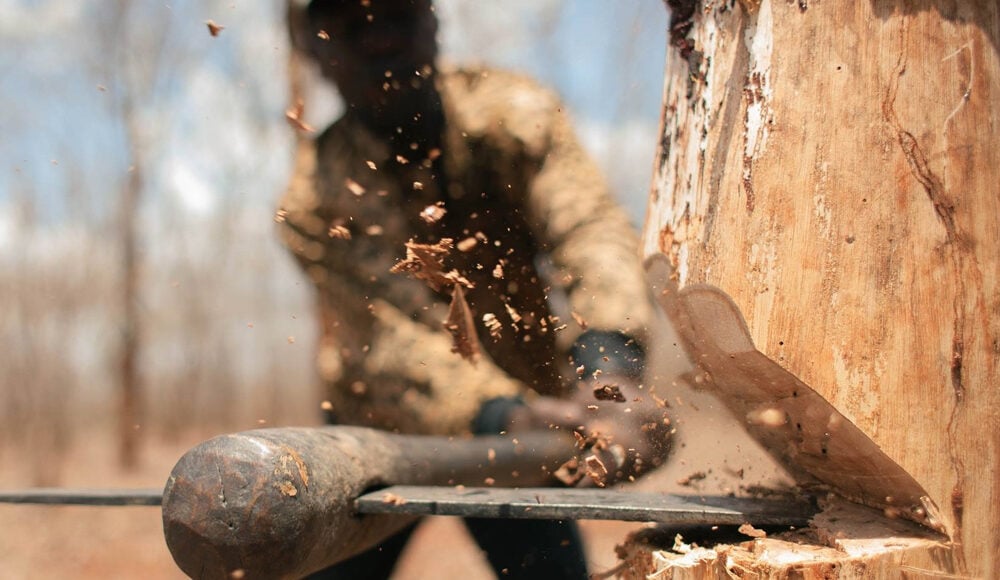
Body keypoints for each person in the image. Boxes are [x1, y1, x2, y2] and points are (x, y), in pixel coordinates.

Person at [278, 1, 671, 577]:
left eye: (396, 15)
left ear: (433, 22)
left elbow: (587, 231)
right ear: (314, 47)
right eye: (352, 27)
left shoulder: (514, 116)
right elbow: (389, 341)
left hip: (531, 415)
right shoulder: (313, 201)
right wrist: (504, 415)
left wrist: (610, 367)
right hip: (380, 429)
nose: (381, 42)